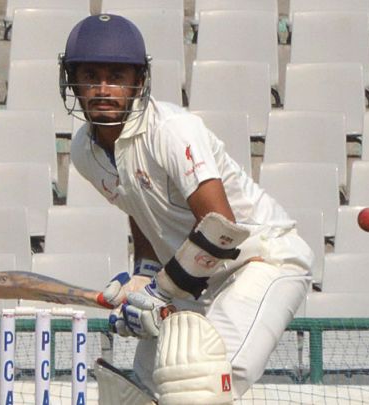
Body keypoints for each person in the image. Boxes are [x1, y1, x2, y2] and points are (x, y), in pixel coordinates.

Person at [59, 14, 313, 404]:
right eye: (90, 76)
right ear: (72, 82)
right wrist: (144, 278)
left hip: (259, 260)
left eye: (116, 76)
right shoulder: (84, 151)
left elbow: (222, 229)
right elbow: (139, 205)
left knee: (197, 379)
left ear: (139, 80)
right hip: (192, 278)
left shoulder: (171, 131)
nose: (103, 88)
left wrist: (160, 291)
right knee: (146, 387)